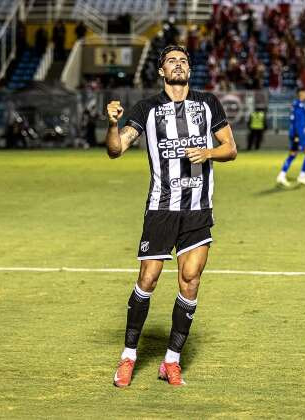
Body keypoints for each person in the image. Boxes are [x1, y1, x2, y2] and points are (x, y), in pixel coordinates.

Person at [105, 45, 237, 387]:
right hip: (161, 208)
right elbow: (116, 149)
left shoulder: (208, 103)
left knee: (190, 279)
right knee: (148, 278)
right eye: (171, 61)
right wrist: (113, 123)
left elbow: (230, 148)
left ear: (189, 71)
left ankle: (171, 361)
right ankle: (129, 356)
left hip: (198, 209)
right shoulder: (147, 108)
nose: (177, 65)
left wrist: (207, 151)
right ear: (162, 71)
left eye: (183, 61)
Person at [276, 88, 305, 186]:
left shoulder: (296, 104)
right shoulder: (298, 106)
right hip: (299, 134)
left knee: (293, 154)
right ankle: (302, 176)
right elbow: (297, 122)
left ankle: (282, 175)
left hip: (298, 134)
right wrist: (297, 135)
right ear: (301, 94)